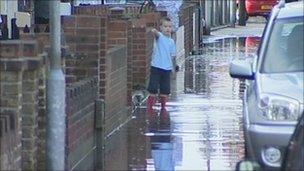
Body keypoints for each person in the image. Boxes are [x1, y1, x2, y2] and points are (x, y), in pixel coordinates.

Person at [147, 17, 177, 115]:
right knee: (153, 88)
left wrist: (173, 69)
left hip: (167, 69)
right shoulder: (160, 37)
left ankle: (163, 108)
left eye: (169, 26)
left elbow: (172, 56)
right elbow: (155, 33)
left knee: (165, 90)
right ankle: (150, 107)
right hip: (156, 67)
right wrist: (154, 30)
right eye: (165, 26)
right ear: (161, 28)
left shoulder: (172, 42)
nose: (168, 28)